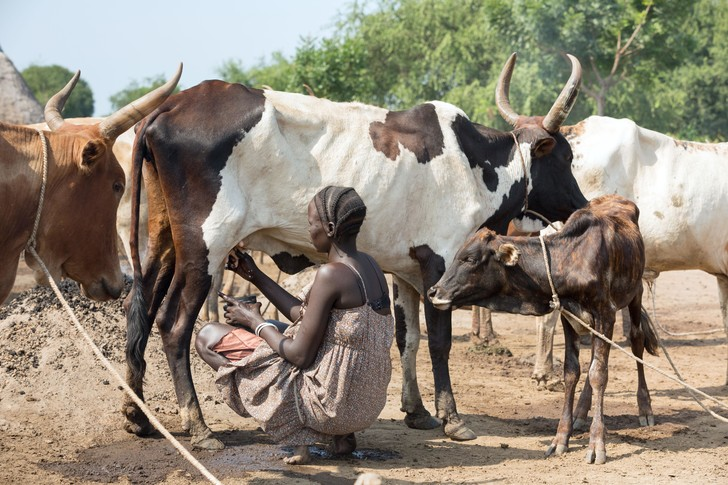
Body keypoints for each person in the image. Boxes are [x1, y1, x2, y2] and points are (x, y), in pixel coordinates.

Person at [195, 186, 394, 465]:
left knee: (207, 336)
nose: (308, 230)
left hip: (329, 407)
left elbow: (301, 355)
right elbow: (306, 314)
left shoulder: (330, 274)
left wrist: (255, 321)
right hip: (364, 405)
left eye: (311, 223)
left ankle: (297, 429)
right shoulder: (369, 265)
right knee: (281, 327)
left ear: (331, 227)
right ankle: (341, 436)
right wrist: (255, 275)